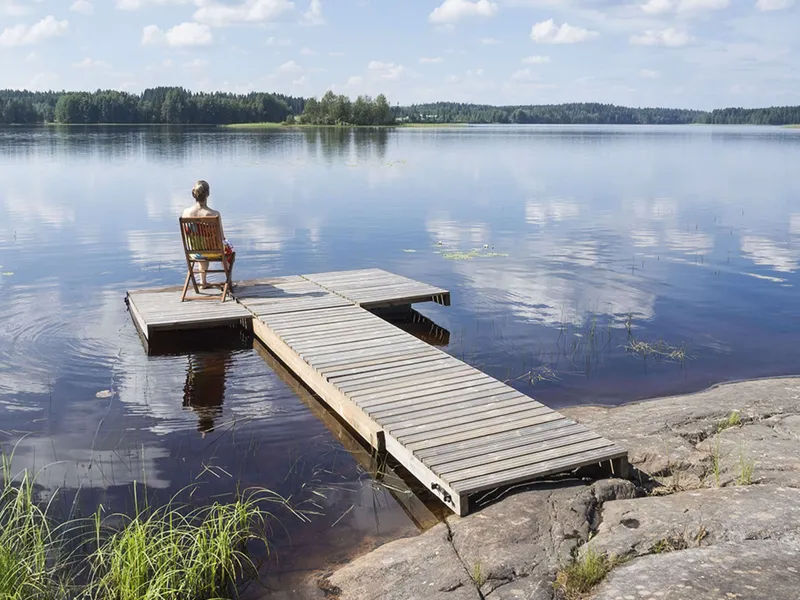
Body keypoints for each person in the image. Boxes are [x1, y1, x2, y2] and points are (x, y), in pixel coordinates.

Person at [182, 180, 235, 289]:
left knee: (201, 245)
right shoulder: (214, 214)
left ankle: (203, 282)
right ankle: (228, 281)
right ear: (208, 194)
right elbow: (221, 237)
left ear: (194, 194)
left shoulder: (186, 213)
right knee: (229, 250)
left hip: (195, 253)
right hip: (214, 252)